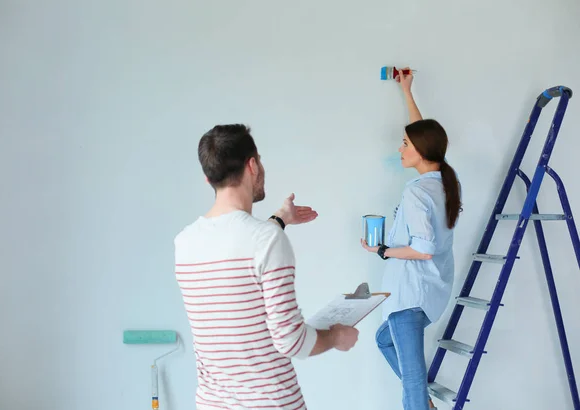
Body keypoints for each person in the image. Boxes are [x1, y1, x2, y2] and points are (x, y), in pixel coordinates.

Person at [175, 124, 360, 410]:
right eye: (259, 159)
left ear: (208, 178)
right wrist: (337, 337)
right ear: (252, 166)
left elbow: (235, 251)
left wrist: (279, 220)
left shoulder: (184, 243)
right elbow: (290, 341)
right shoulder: (266, 241)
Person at [360, 69, 462, 410]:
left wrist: (384, 251)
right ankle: (427, 405)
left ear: (419, 150)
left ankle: (423, 405)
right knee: (384, 341)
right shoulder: (443, 178)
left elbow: (423, 249)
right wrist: (407, 91)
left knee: (414, 382)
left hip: (411, 295)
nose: (400, 148)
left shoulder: (419, 193)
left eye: (405, 144)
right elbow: (421, 135)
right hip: (428, 292)